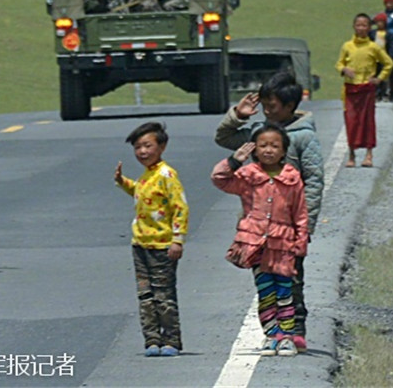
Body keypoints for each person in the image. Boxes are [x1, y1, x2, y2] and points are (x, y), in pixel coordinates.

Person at [213, 70, 323, 351]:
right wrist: (238, 115)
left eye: (271, 106)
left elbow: (314, 181)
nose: (266, 111)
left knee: (292, 279)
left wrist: (306, 227)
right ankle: (273, 333)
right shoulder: (257, 132)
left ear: (290, 106)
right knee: (265, 283)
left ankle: (296, 330)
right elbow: (224, 138)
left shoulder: (304, 137)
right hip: (258, 229)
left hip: (289, 227)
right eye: (263, 105)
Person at [211, 122, 309, 357]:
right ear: (254, 149)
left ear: (284, 150)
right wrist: (234, 161)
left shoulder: (292, 177)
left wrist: (301, 242)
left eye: (274, 146)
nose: (268, 150)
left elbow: (300, 213)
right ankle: (271, 335)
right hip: (256, 245)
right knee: (265, 291)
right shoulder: (247, 176)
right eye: (263, 145)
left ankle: (287, 337)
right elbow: (219, 178)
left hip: (283, 245)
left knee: (285, 291)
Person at [114, 121, 189, 357]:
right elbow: (141, 193)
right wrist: (123, 182)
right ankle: (152, 340)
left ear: (162, 146)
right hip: (140, 244)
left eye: (147, 146)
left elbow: (180, 207)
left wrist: (177, 240)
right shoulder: (147, 176)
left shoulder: (166, 174)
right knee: (145, 295)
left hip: (162, 246)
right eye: (138, 147)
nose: (142, 152)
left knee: (163, 295)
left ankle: (171, 340)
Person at [335, 13, 393, 168]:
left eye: (364, 25)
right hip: (350, 89)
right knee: (351, 121)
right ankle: (352, 155)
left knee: (367, 121)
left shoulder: (373, 47)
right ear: (354, 26)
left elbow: (388, 63)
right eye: (358, 25)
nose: (361, 28)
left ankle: (369, 155)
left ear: (369, 28)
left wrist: (379, 78)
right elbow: (339, 64)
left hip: (367, 89)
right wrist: (344, 69)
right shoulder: (347, 46)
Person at [369, 13, 393, 102]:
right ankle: (376, 93)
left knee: (384, 77)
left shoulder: (389, 34)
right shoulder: (372, 33)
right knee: (374, 75)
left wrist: (390, 57)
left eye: (381, 22)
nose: (379, 24)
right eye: (378, 22)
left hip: (384, 58)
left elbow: (391, 47)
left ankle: (384, 93)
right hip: (374, 59)